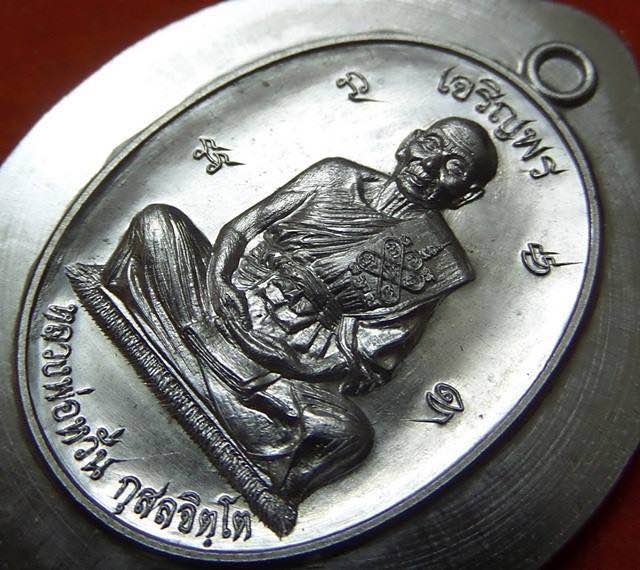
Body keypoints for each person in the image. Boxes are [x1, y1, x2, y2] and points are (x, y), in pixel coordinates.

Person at [101, 117, 498, 506]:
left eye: (453, 167)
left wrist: (291, 362)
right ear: (408, 142)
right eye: (430, 146)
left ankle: (193, 351)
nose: (428, 167)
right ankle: (219, 374)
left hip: (287, 358)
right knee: (158, 223)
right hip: (224, 300)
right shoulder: (335, 175)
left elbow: (367, 357)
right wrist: (220, 281)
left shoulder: (440, 261)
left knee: (349, 435)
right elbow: (242, 229)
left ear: (465, 195)